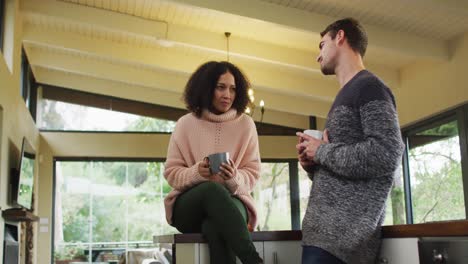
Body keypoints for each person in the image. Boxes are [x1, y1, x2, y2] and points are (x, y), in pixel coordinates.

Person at [296, 18, 405, 264]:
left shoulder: (369, 87)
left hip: (342, 240)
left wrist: (322, 152)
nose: (318, 55)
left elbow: (387, 153)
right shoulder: (346, 93)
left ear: (341, 37)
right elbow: (346, 167)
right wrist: (314, 163)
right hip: (324, 235)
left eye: (322, 44)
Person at [164, 61, 263, 264]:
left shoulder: (246, 125)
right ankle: (254, 261)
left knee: (215, 225)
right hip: (190, 207)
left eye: (233, 89)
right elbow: (172, 173)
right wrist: (196, 173)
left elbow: (252, 174)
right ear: (206, 87)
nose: (227, 94)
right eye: (221, 87)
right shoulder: (185, 124)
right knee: (211, 190)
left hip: (233, 199)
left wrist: (234, 177)